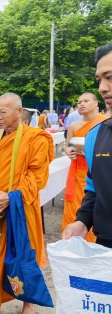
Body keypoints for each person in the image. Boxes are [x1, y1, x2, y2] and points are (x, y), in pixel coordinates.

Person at [0, 93, 54, 314]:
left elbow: (37, 178)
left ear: (19, 111)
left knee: (26, 253)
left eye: (3, 112)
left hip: (22, 205)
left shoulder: (37, 138)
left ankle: (28, 302)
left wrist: (11, 197)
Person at [63, 43, 112, 249]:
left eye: (109, 77)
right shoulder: (96, 134)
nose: (102, 87)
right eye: (99, 80)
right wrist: (83, 220)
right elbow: (93, 188)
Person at [61, 92, 107, 243]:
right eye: (79, 101)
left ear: (96, 103)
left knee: (97, 205)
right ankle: (74, 241)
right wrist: (70, 153)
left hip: (97, 172)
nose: (81, 104)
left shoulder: (106, 123)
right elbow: (67, 146)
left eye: (86, 101)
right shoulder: (74, 126)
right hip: (77, 172)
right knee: (75, 209)